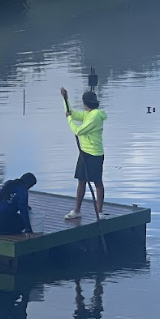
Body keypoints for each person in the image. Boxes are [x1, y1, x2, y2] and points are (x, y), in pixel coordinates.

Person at [60, 87, 107, 220]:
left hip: (95, 154)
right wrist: (65, 99)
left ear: (85, 103)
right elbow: (73, 113)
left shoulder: (95, 116)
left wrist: (69, 119)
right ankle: (77, 210)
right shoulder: (88, 113)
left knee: (98, 182)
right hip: (85, 152)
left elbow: (78, 131)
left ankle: (100, 212)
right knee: (81, 181)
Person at [0, 172, 38, 236]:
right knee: (21, 222)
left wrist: (25, 205)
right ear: (28, 184)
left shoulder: (8, 183)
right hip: (0, 221)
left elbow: (6, 200)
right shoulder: (22, 191)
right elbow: (23, 212)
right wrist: (29, 230)